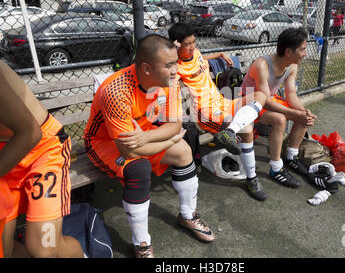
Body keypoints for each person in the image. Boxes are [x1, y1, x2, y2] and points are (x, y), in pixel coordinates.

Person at [84, 34, 215, 258]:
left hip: (140, 134)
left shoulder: (169, 80)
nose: (176, 70)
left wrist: (149, 138)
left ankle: (187, 215)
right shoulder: (116, 91)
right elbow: (129, 151)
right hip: (103, 142)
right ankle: (141, 243)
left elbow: (175, 126)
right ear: (146, 68)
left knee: (184, 152)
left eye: (176, 62)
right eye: (169, 65)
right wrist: (168, 140)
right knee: (139, 168)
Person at [168, 23, 268, 201]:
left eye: (194, 42)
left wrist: (221, 54)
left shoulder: (196, 54)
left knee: (260, 95)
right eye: (187, 44)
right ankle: (252, 178)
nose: (192, 47)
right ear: (176, 45)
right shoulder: (175, 68)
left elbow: (200, 57)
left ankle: (230, 131)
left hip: (223, 101)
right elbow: (169, 83)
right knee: (247, 130)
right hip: (206, 112)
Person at [0, 61, 84, 258]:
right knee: (4, 249)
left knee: (45, 247)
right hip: (6, 155)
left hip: (42, 149)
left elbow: (30, 134)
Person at [240, 28, 317, 188]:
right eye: (302, 49)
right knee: (279, 119)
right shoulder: (262, 65)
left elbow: (291, 95)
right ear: (288, 51)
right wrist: (293, 113)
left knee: (302, 115)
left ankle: (291, 157)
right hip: (248, 101)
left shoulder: (292, 65)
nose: (305, 53)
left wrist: (303, 112)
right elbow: (264, 101)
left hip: (268, 99)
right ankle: (276, 168)